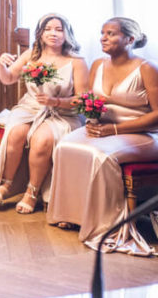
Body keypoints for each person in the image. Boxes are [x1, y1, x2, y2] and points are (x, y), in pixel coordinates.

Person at [48, 18, 158, 254]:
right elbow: (87, 99)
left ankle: (108, 226)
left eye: (111, 34)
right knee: (64, 146)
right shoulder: (98, 64)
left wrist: (116, 130)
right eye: (102, 33)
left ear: (130, 39)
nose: (103, 38)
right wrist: (56, 100)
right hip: (103, 128)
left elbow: (157, 116)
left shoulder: (148, 68)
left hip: (143, 133)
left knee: (101, 156)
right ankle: (73, 215)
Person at [0, 13, 87, 213]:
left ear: (67, 34)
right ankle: (7, 185)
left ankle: (32, 192)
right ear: (40, 33)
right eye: (48, 29)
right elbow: (8, 79)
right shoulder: (30, 56)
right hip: (30, 108)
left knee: (41, 140)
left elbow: (83, 101)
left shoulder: (76, 61)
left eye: (59, 29)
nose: (53, 33)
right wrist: (1, 64)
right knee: (16, 133)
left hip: (63, 113)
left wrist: (56, 101)